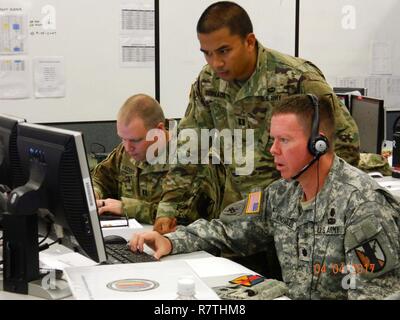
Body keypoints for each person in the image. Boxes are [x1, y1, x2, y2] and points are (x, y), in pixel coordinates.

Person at [130, 94, 400, 300]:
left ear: (318, 144)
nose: (273, 150)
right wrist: (169, 241)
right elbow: (228, 230)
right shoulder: (281, 193)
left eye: (284, 140)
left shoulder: (363, 208)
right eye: (273, 140)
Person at [155, 1, 360, 223]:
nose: (216, 63)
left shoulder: (296, 78)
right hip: (236, 216)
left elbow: (344, 142)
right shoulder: (208, 82)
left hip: (290, 217)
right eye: (207, 54)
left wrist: (317, 207)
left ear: (249, 41)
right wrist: (169, 209)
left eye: (224, 51)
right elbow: (191, 145)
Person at [91, 93, 236, 234]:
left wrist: (128, 208)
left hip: (182, 247)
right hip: (135, 238)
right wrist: (95, 193)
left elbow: (184, 217)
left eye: (135, 140)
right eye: (123, 138)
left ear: (159, 130)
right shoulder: (127, 151)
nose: (128, 147)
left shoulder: (191, 158)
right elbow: (101, 178)